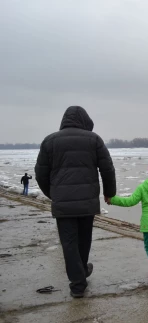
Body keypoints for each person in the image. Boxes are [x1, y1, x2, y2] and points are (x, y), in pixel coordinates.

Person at [35, 106, 116, 298]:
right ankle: (81, 276)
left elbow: (40, 173)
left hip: (63, 202)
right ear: (85, 121)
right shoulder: (93, 139)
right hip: (87, 201)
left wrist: (53, 194)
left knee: (69, 243)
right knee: (83, 239)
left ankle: (78, 282)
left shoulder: (50, 141)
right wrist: (109, 192)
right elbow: (107, 169)